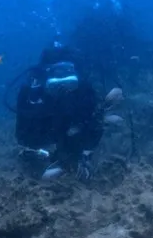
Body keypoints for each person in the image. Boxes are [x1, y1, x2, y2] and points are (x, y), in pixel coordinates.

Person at [12, 42, 104, 179]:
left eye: (68, 82)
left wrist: (81, 154)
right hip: (47, 140)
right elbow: (24, 136)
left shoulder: (85, 92)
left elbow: (95, 126)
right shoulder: (32, 94)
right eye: (55, 84)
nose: (62, 88)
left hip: (71, 140)